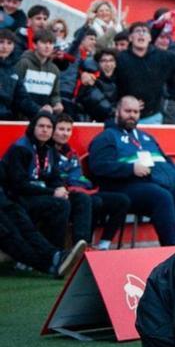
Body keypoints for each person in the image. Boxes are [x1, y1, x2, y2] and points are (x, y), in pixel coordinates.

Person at [86, 96, 175, 246]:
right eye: (127, 111)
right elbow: (98, 165)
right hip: (128, 186)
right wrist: (131, 169)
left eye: (135, 112)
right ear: (117, 112)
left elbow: (166, 159)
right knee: (161, 197)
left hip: (163, 183)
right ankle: (171, 253)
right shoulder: (107, 137)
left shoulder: (146, 137)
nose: (132, 115)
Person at [51, 113, 131, 250]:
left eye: (68, 130)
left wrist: (78, 181)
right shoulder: (47, 152)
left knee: (122, 200)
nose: (65, 134)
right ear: (52, 130)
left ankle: (103, 245)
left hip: (82, 190)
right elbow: (61, 179)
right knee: (92, 201)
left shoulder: (72, 153)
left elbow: (78, 178)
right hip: (64, 194)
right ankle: (81, 248)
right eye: (61, 129)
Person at [1, 111, 74, 247]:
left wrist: (60, 187)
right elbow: (19, 185)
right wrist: (52, 192)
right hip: (17, 197)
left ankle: (80, 246)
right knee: (60, 205)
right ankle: (53, 253)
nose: (45, 130)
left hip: (38, 193)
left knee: (79, 199)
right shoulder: (21, 148)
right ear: (33, 127)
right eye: (41, 126)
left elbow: (54, 175)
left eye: (49, 127)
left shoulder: (49, 148)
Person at [114, 22, 175, 125]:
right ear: (130, 38)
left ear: (150, 38)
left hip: (152, 116)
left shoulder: (162, 56)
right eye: (137, 31)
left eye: (145, 32)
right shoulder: (119, 58)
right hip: (125, 115)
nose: (141, 34)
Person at [14, 28, 63, 118]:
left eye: (51, 43)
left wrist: (57, 103)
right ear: (34, 45)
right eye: (44, 43)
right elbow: (16, 92)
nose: (48, 46)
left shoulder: (54, 69)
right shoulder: (24, 63)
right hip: (21, 116)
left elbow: (55, 94)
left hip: (43, 118)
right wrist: (37, 109)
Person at [0, 29, 20, 120]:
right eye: (1, 42)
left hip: (6, 118)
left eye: (9, 43)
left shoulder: (13, 70)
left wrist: (40, 111)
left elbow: (22, 97)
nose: (5, 47)